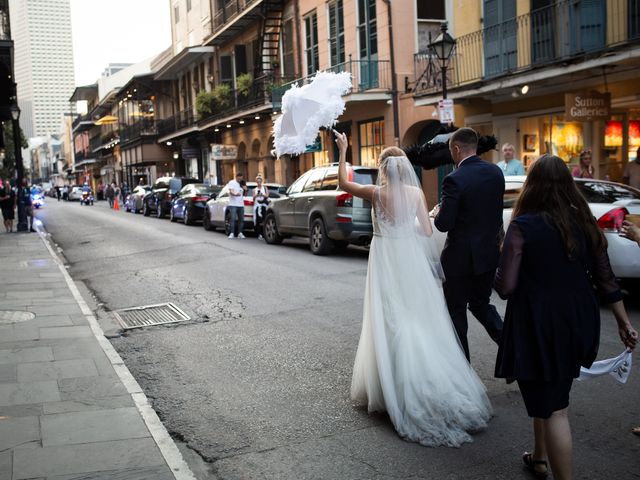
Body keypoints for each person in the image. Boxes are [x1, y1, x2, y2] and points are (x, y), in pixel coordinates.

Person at [335, 131, 492, 447]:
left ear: (382, 169)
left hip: (385, 260)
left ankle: (397, 384)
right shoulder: (415, 194)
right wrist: (429, 214)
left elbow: (343, 184)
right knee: (417, 317)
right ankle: (430, 381)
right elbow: (426, 229)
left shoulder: (375, 194)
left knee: (391, 318)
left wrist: (343, 150)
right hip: (409, 259)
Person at [494, 154, 638, 480]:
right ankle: (539, 457)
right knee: (551, 391)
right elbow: (606, 280)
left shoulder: (523, 225)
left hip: (538, 322)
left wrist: (498, 256)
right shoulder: (584, 223)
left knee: (555, 407)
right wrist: (623, 322)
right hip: (578, 318)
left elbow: (505, 287)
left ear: (532, 185)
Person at [433, 128, 505, 361]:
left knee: (456, 312)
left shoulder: (454, 179)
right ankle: (512, 348)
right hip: (488, 255)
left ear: (456, 149)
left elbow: (444, 224)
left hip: (459, 260)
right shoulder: (495, 173)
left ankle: (463, 368)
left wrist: (438, 212)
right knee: (481, 304)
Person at [226, 172, 246, 239]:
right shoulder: (232, 182)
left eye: (241, 178)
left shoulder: (242, 183)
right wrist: (235, 194)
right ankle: (232, 233)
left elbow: (245, 194)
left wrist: (245, 189)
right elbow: (231, 191)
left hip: (241, 204)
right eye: (239, 178)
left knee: (241, 219)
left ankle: (240, 233)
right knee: (233, 219)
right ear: (236, 177)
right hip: (233, 204)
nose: (240, 179)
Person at [252, 175, 269, 240]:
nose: (259, 183)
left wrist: (262, 194)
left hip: (264, 206)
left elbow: (267, 196)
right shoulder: (254, 189)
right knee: (258, 220)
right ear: (256, 182)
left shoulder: (265, 188)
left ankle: (265, 234)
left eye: (260, 181)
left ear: (261, 181)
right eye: (257, 181)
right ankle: (259, 234)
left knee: (264, 219)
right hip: (257, 206)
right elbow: (253, 198)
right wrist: (256, 195)